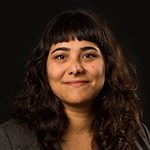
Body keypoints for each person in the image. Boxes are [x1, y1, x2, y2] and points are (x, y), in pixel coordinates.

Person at [0, 8, 150, 150]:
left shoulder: (137, 135)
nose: (75, 68)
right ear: (44, 69)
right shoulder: (11, 139)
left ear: (108, 65)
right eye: (61, 56)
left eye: (88, 55)